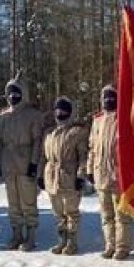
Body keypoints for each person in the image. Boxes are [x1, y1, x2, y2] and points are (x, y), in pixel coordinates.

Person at [0, 78, 43, 251]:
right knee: (13, 202)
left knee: (28, 201)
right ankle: (17, 234)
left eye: (16, 92)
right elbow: (0, 141)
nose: (13, 96)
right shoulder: (4, 115)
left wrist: (33, 163)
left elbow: (38, 140)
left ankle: (30, 236)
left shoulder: (33, 114)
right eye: (10, 93)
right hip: (9, 162)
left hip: (25, 160)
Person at [87, 85, 133, 260]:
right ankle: (110, 244)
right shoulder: (97, 121)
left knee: (121, 215)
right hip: (101, 173)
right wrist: (90, 169)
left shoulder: (124, 119)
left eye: (112, 97)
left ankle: (122, 247)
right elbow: (92, 147)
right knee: (106, 215)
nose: (108, 101)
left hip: (118, 175)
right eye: (105, 98)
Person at [38, 96, 88, 256]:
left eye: (64, 109)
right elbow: (43, 157)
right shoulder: (49, 133)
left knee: (71, 211)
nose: (60, 112)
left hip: (69, 176)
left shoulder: (77, 132)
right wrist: (40, 175)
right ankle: (62, 239)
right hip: (51, 176)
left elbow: (83, 156)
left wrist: (81, 175)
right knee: (58, 212)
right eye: (58, 109)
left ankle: (72, 242)